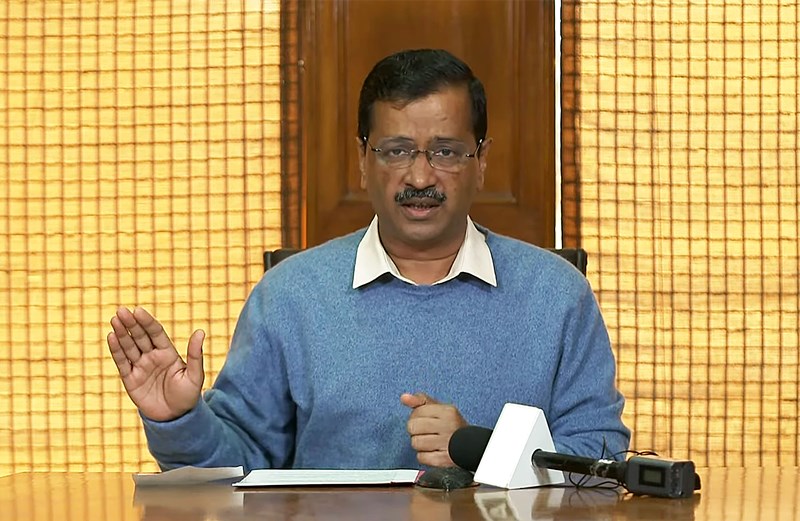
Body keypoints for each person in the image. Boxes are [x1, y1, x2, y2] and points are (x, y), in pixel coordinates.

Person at [107, 48, 630, 472]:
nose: (420, 177)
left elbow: (600, 462)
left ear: (481, 161)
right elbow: (239, 470)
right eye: (396, 151)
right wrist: (179, 420)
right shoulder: (290, 296)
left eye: (446, 151)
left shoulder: (557, 294)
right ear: (363, 160)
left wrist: (486, 451)